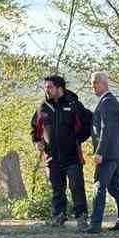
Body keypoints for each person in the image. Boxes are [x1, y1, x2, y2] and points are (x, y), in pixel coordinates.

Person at [31, 75, 90, 227]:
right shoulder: (43, 107)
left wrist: (76, 140)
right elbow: (35, 127)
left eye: (50, 87)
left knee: (76, 187)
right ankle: (59, 216)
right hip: (52, 157)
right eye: (46, 87)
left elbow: (88, 123)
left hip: (72, 156)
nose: (47, 90)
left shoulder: (74, 104)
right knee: (57, 189)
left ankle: (82, 218)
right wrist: (37, 141)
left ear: (59, 88)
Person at [87, 71, 119, 234]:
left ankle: (95, 224)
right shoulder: (106, 101)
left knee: (99, 185)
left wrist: (100, 152)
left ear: (103, 83)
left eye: (94, 83)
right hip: (114, 153)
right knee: (114, 188)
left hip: (109, 154)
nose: (93, 86)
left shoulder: (108, 102)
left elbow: (108, 129)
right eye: (92, 83)